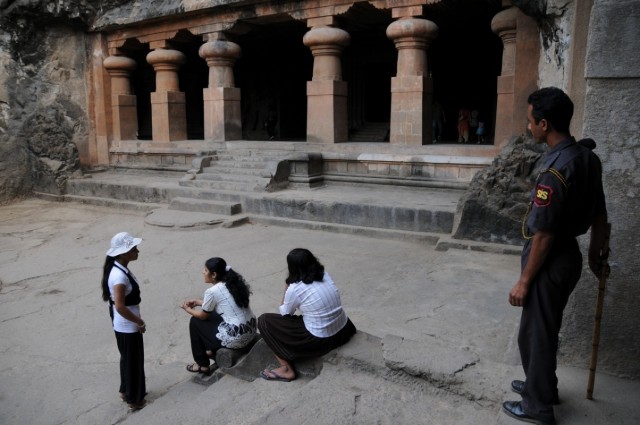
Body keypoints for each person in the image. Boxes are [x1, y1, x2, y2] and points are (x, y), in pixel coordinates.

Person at [502, 87, 608, 425]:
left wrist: (524, 281)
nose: (528, 126)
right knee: (543, 328)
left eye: (530, 121)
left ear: (544, 124)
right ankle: (542, 386)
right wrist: (595, 256)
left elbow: (545, 235)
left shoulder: (556, 170)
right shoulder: (587, 158)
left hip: (550, 259)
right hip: (569, 257)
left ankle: (537, 406)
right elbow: (600, 215)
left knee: (536, 333)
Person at [257, 248, 357, 382]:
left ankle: (286, 369)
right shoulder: (325, 275)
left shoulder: (295, 288)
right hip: (344, 329)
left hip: (321, 339)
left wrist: (287, 285)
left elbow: (285, 313)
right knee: (310, 316)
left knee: (264, 321)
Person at [180, 257, 256, 375]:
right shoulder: (232, 282)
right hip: (251, 329)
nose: (203, 272)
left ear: (214, 274)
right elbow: (223, 305)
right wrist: (199, 302)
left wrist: (187, 309)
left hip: (238, 337)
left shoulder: (212, 291)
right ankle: (212, 351)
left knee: (195, 321)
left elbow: (202, 316)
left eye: (205, 270)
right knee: (213, 315)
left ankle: (202, 365)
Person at [101, 232, 147, 411]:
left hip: (125, 323)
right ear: (123, 253)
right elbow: (120, 306)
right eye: (134, 249)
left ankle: (125, 390)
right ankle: (134, 399)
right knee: (133, 362)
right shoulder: (119, 277)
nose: (137, 251)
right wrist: (139, 322)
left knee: (128, 359)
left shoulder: (119, 268)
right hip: (127, 325)